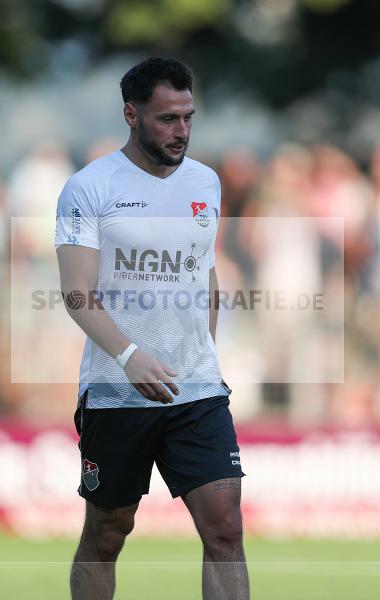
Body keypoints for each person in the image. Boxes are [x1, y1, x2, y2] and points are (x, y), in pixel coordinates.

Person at [54, 57, 248, 600]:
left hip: (197, 391)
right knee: (108, 533)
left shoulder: (206, 183)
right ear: (131, 115)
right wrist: (128, 355)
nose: (181, 130)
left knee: (226, 530)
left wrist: (204, 353)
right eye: (167, 119)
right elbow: (76, 291)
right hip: (117, 392)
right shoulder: (88, 188)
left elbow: (204, 271)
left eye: (188, 117)